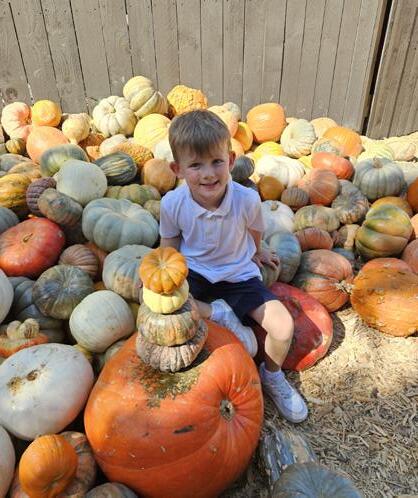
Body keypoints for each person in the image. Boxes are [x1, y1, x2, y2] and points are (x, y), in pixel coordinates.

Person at [159, 110, 308, 423]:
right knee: (163, 310)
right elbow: (170, 244)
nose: (208, 174)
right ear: (177, 169)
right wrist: (161, 276)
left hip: (238, 275)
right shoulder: (172, 204)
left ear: (230, 159)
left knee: (282, 326)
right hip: (195, 274)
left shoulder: (246, 200)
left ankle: (272, 374)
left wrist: (258, 250)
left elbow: (255, 229)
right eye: (195, 165)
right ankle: (218, 313)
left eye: (216, 162)